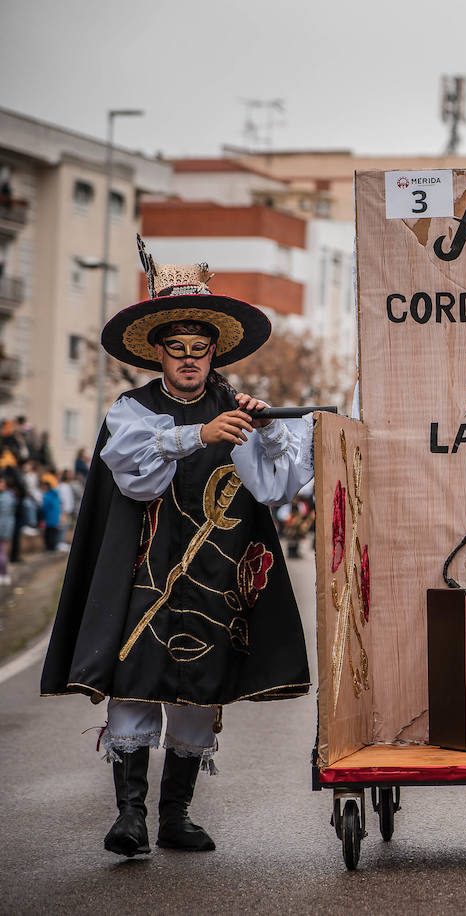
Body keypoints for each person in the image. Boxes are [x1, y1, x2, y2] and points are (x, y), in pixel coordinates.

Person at [40, 242, 313, 858]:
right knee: (134, 682)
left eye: (199, 349)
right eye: (176, 349)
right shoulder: (132, 409)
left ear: (213, 351)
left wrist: (267, 433)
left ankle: (176, 816)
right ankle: (130, 817)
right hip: (147, 568)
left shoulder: (241, 408)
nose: (189, 360)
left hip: (217, 571)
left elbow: (281, 485)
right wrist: (198, 433)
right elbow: (135, 472)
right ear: (157, 352)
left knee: (198, 690)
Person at [39, 473, 62, 551]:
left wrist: (41, 515)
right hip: (55, 518)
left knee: (48, 534)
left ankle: (50, 548)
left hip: (49, 518)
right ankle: (53, 547)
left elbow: (44, 507)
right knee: (54, 533)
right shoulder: (55, 495)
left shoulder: (47, 496)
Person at [0, 474, 14, 586]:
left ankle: (4, 574)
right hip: (6, 528)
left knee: (2, 553)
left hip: (3, 529)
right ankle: (4, 574)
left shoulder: (5, 497)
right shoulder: (10, 496)